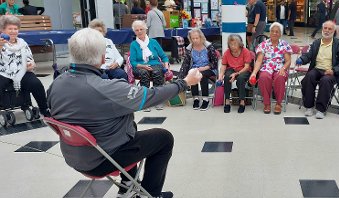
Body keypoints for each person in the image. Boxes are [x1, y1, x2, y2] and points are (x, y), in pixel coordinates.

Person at [47, 28, 202, 198]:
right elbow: (152, 96)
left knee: (127, 124)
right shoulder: (107, 89)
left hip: (74, 155)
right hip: (103, 160)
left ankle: (127, 185)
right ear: (102, 57)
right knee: (164, 138)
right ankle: (149, 194)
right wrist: (185, 82)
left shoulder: (57, 83)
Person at [297, 20, 339, 119]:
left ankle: (321, 109)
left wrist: (334, 70)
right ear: (322, 29)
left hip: (332, 71)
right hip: (317, 69)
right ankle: (309, 107)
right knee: (308, 78)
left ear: (334, 31)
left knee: (325, 81)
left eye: (330, 29)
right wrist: (302, 59)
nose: (327, 31)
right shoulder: (316, 43)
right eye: (325, 28)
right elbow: (308, 55)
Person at [0, 15, 50, 117]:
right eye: (10, 29)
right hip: (3, 72)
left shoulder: (22, 43)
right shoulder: (1, 43)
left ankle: (44, 109)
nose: (13, 31)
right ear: (3, 30)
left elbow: (29, 59)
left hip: (21, 72)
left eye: (15, 29)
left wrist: (31, 64)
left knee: (36, 83)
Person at [250, 22, 292, 114]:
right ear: (269, 33)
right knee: (264, 77)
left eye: (277, 32)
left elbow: (288, 61)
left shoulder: (284, 44)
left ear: (280, 34)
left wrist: (284, 68)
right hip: (266, 67)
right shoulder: (264, 44)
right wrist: (254, 73)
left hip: (280, 67)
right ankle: (266, 103)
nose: (274, 33)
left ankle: (278, 103)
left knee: (280, 77)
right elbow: (259, 61)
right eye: (272, 31)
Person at [129, 20, 170, 111]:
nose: (139, 31)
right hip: (140, 66)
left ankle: (157, 100)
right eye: (137, 30)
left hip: (154, 64)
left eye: (141, 29)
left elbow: (163, 56)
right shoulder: (134, 44)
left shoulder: (153, 42)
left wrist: (166, 66)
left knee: (157, 71)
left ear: (146, 30)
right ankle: (146, 101)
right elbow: (133, 62)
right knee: (144, 72)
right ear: (134, 32)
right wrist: (143, 66)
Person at [179, 28, 219, 111]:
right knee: (193, 73)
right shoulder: (189, 49)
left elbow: (214, 63)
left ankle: (205, 99)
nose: (195, 40)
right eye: (193, 38)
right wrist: (181, 77)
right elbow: (185, 64)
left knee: (201, 75)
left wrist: (205, 68)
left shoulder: (208, 47)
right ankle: (196, 98)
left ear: (201, 37)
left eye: (197, 38)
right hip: (195, 68)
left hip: (209, 68)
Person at [219, 34, 252, 113]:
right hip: (232, 69)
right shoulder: (227, 52)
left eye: (235, 44)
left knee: (240, 79)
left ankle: (242, 102)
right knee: (227, 77)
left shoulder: (245, 51)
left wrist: (236, 74)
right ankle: (227, 100)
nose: (233, 46)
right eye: (231, 44)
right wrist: (220, 75)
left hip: (243, 70)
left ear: (239, 44)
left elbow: (247, 66)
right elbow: (223, 65)